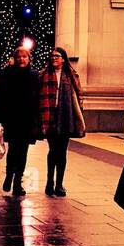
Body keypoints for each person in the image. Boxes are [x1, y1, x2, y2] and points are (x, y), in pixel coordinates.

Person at [0, 46, 39, 196]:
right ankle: (9, 176)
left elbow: (37, 99)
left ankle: (18, 182)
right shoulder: (7, 73)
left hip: (27, 119)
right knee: (13, 150)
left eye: (24, 56)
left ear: (29, 58)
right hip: (11, 118)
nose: (21, 59)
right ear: (14, 58)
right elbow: (0, 97)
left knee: (23, 152)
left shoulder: (34, 75)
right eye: (18, 56)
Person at [38, 46, 84, 196]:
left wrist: (78, 118)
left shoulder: (71, 75)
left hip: (66, 116)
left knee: (62, 151)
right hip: (49, 115)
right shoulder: (44, 74)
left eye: (57, 56)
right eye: (52, 56)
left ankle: (59, 184)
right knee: (53, 150)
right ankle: (49, 183)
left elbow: (78, 97)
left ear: (63, 59)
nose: (54, 58)